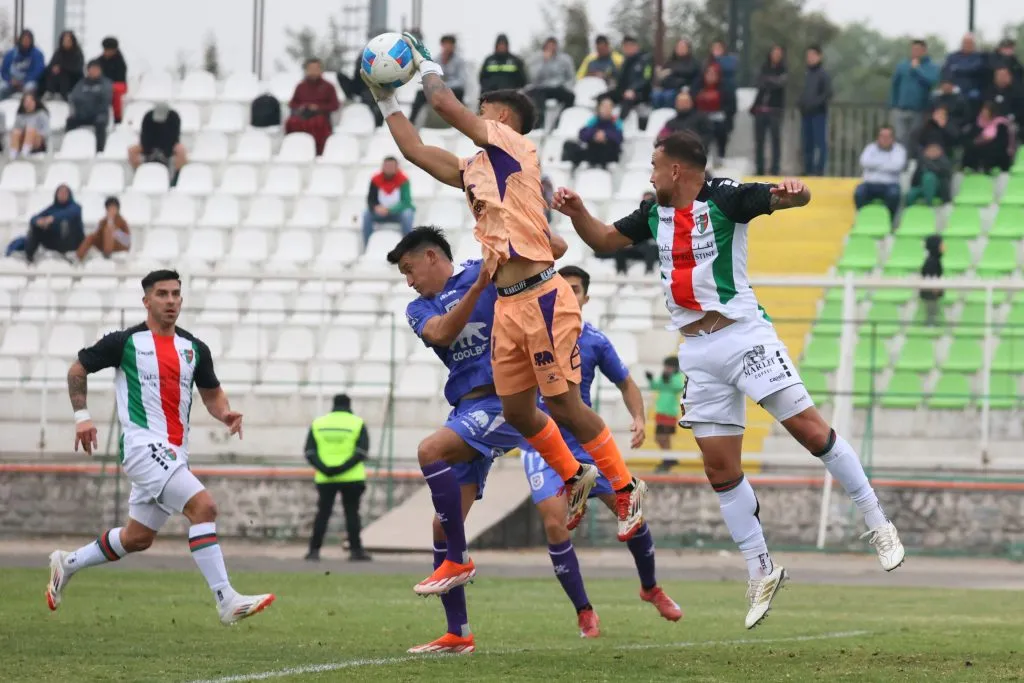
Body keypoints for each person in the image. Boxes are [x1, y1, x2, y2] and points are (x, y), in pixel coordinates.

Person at [552, 131, 905, 630]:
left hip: (743, 336)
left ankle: (877, 522)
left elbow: (786, 197)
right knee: (719, 469)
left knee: (809, 431)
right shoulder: (654, 212)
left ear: (677, 170)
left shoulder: (725, 197)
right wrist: (578, 211)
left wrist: (797, 193)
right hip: (697, 351)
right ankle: (762, 568)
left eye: (655, 165)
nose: (650, 174)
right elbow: (605, 239)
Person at [364, 34, 649, 591]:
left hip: (542, 295)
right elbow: (415, 151)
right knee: (521, 413)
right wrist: (384, 98)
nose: (477, 114)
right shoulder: (476, 170)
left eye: (485, 110)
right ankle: (575, 476)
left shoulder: (513, 148)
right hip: (512, 308)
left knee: (565, 405)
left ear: (501, 118)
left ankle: (624, 489)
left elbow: (445, 106)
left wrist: (423, 64)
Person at [47, 270, 275, 624]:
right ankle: (225, 599)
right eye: (162, 294)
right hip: (143, 447)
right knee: (204, 507)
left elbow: (212, 394)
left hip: (172, 452)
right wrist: (82, 417)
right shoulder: (125, 343)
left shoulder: (194, 348)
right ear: (147, 301)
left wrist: (225, 414)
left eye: (176, 295)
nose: (171, 301)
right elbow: (78, 369)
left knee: (137, 538)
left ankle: (67, 562)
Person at [387, 227, 551, 654]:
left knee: (429, 450)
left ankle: (458, 560)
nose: (408, 280)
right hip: (466, 408)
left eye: (409, 269)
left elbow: (553, 252)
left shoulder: (486, 271)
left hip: (505, 401)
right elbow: (440, 333)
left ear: (430, 256)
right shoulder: (419, 307)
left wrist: (520, 238)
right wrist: (480, 287)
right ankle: (458, 633)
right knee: (442, 523)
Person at [520, 265, 681, 638]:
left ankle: (650, 587)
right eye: (563, 288)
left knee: (632, 512)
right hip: (544, 446)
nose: (568, 294)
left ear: (585, 298)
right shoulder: (530, 335)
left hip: (587, 446)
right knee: (554, 524)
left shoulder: (594, 340)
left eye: (575, 289)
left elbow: (626, 383)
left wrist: (639, 417)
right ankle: (584, 612)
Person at [305, 394, 371, 563]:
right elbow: (361, 452)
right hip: (351, 478)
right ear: (349, 405)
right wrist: (341, 468)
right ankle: (356, 551)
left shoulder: (319, 423)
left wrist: (326, 469)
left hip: (325, 478)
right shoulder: (357, 423)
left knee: (323, 514)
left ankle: (313, 551)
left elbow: (309, 452)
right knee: (352, 514)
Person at [889, 40, 940, 147]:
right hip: (900, 109)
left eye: (918, 49)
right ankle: (901, 162)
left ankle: (913, 162)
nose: (915, 52)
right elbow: (895, 85)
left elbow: (932, 82)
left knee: (914, 139)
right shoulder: (902, 66)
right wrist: (893, 105)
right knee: (900, 138)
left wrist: (917, 69)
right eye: (913, 49)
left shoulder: (931, 67)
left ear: (924, 51)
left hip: (919, 110)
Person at [284, 58, 340, 156]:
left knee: (318, 123)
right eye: (311, 69)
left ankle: (318, 153)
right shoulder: (300, 86)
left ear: (321, 70)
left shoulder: (328, 87)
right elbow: (292, 103)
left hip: (320, 117)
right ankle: (294, 151)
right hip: (302, 116)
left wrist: (318, 108)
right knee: (291, 122)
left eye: (316, 69)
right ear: (306, 70)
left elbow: (334, 105)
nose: (313, 71)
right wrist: (301, 107)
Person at [408, 35, 466, 125]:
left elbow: (461, 81)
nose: (447, 47)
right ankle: (411, 123)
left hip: (452, 89)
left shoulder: (460, 61)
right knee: (420, 94)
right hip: (437, 89)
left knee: (460, 92)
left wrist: (444, 85)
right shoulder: (436, 60)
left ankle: (462, 122)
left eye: (450, 45)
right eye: (445, 45)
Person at [854, 125, 907, 218]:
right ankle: (862, 218)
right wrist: (887, 164)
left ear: (893, 138)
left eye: (888, 136)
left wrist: (874, 165)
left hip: (890, 184)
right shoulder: (870, 148)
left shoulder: (899, 149)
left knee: (894, 194)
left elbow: (897, 166)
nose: (885, 139)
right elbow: (864, 162)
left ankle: (889, 220)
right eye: (882, 136)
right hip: (869, 184)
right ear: (878, 137)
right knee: (859, 192)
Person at [362, 156, 415, 246]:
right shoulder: (375, 180)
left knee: (407, 214)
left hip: (398, 213)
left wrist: (390, 210)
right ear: (383, 166)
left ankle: (407, 246)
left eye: (391, 166)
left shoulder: (403, 180)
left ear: (397, 167)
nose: (389, 168)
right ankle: (368, 245)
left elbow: (406, 202)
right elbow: (371, 199)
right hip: (380, 213)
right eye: (387, 166)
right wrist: (376, 207)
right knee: (367, 214)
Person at [525, 37, 576, 128]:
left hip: (558, 87)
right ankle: (538, 123)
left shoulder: (565, 59)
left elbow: (571, 77)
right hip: (541, 88)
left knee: (571, 97)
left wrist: (567, 87)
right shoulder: (536, 58)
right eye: (549, 45)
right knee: (535, 95)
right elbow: (533, 78)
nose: (551, 48)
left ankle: (559, 122)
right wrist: (544, 61)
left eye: (553, 45)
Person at [599, 36, 652, 124]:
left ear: (636, 46)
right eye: (625, 47)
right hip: (624, 91)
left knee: (627, 100)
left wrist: (633, 89)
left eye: (630, 46)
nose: (628, 49)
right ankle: (600, 124)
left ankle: (619, 125)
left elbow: (646, 79)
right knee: (602, 97)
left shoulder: (646, 60)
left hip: (640, 93)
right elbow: (621, 81)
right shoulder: (625, 61)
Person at [752, 45, 787, 176]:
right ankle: (759, 169)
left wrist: (768, 81)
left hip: (775, 109)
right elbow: (759, 83)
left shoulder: (783, 69)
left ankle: (775, 169)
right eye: (774, 53)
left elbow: (780, 83)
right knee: (759, 141)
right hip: (760, 109)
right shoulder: (764, 67)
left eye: (779, 53)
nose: (776, 55)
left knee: (775, 140)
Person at [25, 184, 83, 264]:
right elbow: (33, 218)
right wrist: (39, 221)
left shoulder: (76, 207)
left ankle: (69, 257)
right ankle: (29, 257)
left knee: (64, 222)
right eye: (60, 193)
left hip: (71, 242)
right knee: (36, 226)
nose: (62, 195)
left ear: (69, 195)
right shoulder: (52, 208)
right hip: (55, 241)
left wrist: (52, 218)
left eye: (65, 193)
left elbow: (68, 214)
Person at [561, 97, 623, 169]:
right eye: (604, 106)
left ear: (612, 109)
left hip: (608, 153)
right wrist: (595, 134)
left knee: (609, 146)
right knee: (569, 145)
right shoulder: (594, 120)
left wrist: (605, 134)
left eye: (609, 106)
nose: (606, 109)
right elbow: (582, 135)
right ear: (599, 108)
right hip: (593, 150)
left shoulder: (616, 121)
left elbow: (619, 137)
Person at [799, 46, 832, 176]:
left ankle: (819, 170)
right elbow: (802, 92)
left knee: (820, 143)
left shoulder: (823, 74)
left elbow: (827, 93)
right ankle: (808, 170)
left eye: (812, 55)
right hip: (806, 114)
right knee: (807, 143)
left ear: (819, 56)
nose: (810, 59)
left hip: (818, 113)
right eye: (808, 56)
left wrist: (814, 104)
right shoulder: (806, 74)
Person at [66, 59, 112, 152]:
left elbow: (105, 98)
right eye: (91, 69)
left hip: (99, 114)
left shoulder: (106, 83)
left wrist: (88, 98)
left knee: (100, 123)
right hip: (83, 114)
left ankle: (100, 150)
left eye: (96, 69)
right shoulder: (81, 83)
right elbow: (74, 97)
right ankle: (69, 147)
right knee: (70, 121)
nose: (94, 71)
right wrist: (91, 97)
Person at [129, 102, 187, 174]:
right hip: (151, 144)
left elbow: (175, 137)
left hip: (169, 146)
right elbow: (144, 135)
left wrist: (166, 152)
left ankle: (177, 177)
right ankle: (139, 173)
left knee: (181, 150)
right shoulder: (148, 117)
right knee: (132, 150)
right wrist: (149, 150)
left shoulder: (174, 118)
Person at [694, 63, 734, 160]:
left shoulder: (725, 89)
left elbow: (731, 107)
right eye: (709, 74)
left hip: (719, 118)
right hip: (700, 117)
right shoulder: (697, 88)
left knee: (719, 129)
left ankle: (720, 156)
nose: (711, 76)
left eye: (714, 74)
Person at [963, 102, 1015, 174]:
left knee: (989, 150)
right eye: (983, 112)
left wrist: (987, 141)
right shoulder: (978, 123)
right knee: (971, 147)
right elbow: (972, 136)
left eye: (986, 112)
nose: (984, 114)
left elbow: (1003, 142)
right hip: (981, 147)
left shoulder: (1001, 124)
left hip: (998, 150)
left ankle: (987, 168)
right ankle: (971, 167)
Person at [942, 33, 989, 114]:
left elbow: (975, 69)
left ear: (974, 45)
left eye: (970, 43)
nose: (967, 45)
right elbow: (946, 71)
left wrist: (957, 69)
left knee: (974, 97)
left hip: (973, 90)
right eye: (965, 43)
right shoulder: (952, 56)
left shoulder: (979, 57)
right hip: (954, 89)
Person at [647, 356, 685, 451]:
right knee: (659, 438)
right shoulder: (664, 376)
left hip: (669, 412)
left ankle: (668, 459)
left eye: (669, 367)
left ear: (675, 367)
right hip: (660, 411)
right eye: (666, 366)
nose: (666, 369)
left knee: (664, 438)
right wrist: (650, 379)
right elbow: (655, 386)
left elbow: (679, 387)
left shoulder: (678, 377)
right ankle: (669, 458)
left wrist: (669, 378)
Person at [76, 196, 131, 261]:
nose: (111, 210)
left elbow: (127, 240)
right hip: (103, 245)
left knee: (109, 230)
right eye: (109, 208)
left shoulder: (122, 221)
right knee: (90, 236)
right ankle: (78, 257)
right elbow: (96, 235)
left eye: (114, 208)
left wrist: (114, 230)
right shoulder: (103, 221)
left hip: (119, 245)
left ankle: (107, 256)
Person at [651, 39, 700, 110]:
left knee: (668, 96)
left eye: (683, 47)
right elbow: (663, 77)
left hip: (682, 90)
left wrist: (672, 71)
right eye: (679, 47)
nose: (680, 49)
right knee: (655, 95)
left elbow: (690, 75)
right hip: (666, 88)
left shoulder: (693, 63)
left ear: (688, 49)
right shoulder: (670, 62)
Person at [0, 29, 45, 100]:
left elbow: (39, 71)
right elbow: (3, 71)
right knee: (1, 88)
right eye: (24, 39)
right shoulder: (10, 54)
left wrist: (24, 81)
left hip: (28, 81)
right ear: (20, 40)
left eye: (28, 39)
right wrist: (10, 80)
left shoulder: (37, 54)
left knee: (30, 88)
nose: (26, 41)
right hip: (11, 82)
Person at [43, 30, 84, 101]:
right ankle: (49, 92)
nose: (66, 42)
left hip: (73, 79)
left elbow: (77, 68)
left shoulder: (77, 53)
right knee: (47, 72)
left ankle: (66, 95)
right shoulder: (58, 52)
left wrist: (61, 67)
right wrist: (53, 68)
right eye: (64, 40)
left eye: (68, 40)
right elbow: (51, 65)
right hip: (58, 79)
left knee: (63, 74)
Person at [95, 37, 128, 124]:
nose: (108, 52)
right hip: (102, 85)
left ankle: (118, 119)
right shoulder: (99, 61)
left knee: (115, 96)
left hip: (118, 86)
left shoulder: (120, 62)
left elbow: (120, 80)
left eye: (110, 50)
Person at [8, 91, 49, 159]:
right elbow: (16, 129)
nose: (28, 104)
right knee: (15, 132)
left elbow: (47, 131)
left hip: (38, 142)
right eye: (26, 102)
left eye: (30, 102)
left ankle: (25, 154)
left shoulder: (41, 114)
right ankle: (13, 155)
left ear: (35, 102)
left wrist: (38, 135)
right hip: (22, 139)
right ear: (23, 104)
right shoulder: (20, 116)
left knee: (30, 130)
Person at [919, 235, 944, 326]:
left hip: (932, 296)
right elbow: (929, 278)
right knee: (931, 314)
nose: (944, 247)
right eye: (941, 244)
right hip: (930, 296)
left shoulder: (935, 260)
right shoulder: (931, 262)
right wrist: (935, 289)